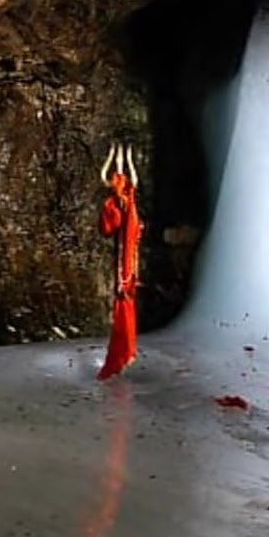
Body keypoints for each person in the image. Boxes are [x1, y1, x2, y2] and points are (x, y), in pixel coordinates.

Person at [97, 143, 142, 380]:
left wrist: (123, 157)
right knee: (123, 303)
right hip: (124, 259)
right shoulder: (118, 203)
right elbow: (110, 227)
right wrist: (119, 157)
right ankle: (123, 352)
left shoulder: (127, 200)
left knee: (125, 302)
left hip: (127, 261)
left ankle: (125, 352)